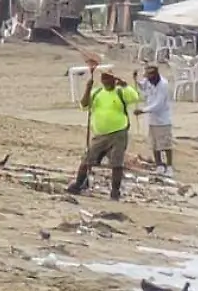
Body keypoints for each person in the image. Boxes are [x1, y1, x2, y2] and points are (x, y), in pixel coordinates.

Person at [68, 62, 141, 201]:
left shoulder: (120, 91)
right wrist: (87, 89)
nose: (107, 81)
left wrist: (125, 85)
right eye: (104, 79)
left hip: (118, 133)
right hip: (100, 134)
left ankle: (115, 191)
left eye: (109, 78)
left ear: (114, 79)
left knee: (117, 163)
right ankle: (78, 184)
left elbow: (135, 97)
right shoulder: (96, 92)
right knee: (87, 158)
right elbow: (84, 105)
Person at [136, 65, 175, 176]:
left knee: (166, 145)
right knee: (154, 144)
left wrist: (143, 110)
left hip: (163, 120)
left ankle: (169, 167)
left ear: (155, 75)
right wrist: (136, 80)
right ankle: (159, 165)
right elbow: (143, 86)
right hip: (152, 120)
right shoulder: (149, 82)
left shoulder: (163, 85)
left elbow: (159, 104)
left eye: (149, 77)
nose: (147, 79)